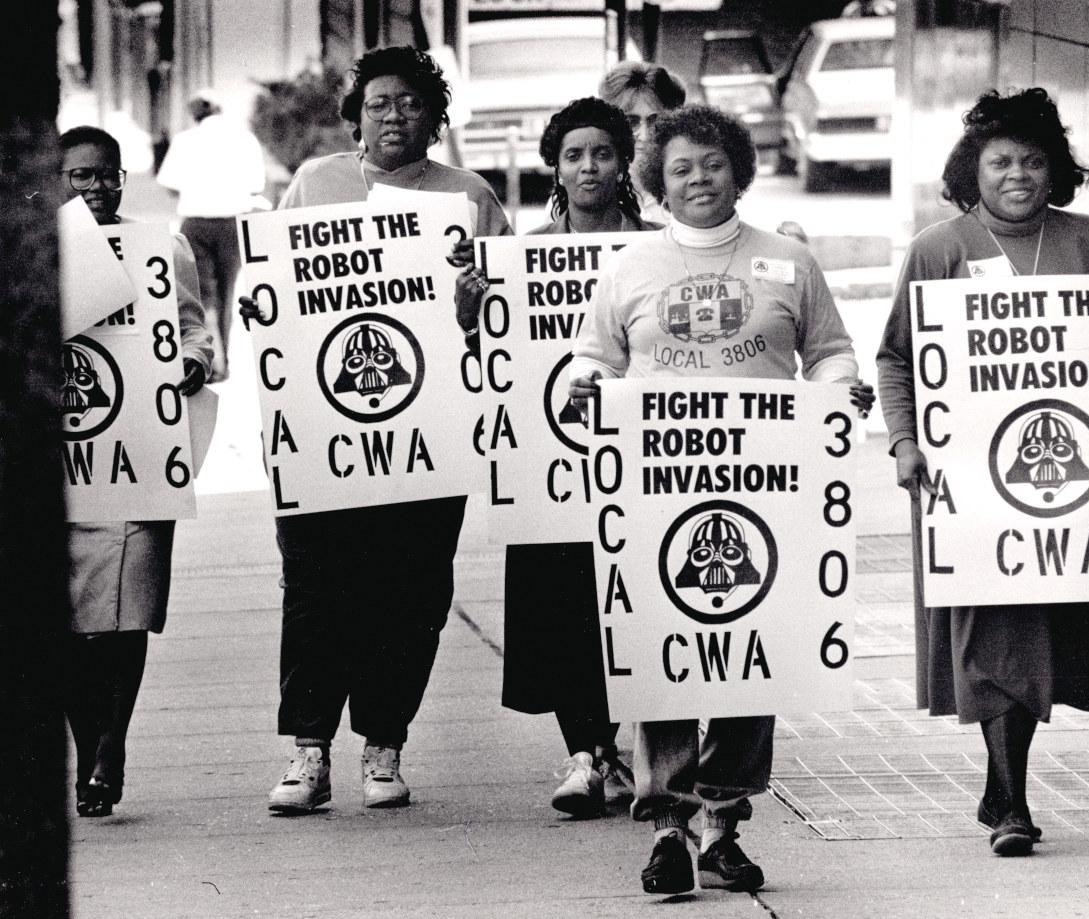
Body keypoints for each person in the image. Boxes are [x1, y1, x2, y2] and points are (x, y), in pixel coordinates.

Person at [568, 105, 873, 894]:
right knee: (667, 650)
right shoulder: (630, 264)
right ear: (656, 183)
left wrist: (841, 395)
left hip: (767, 488)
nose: (698, 179)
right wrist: (582, 392)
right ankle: (668, 828)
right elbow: (592, 357)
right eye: (680, 169)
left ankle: (723, 823)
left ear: (739, 169)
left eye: (711, 164)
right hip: (654, 488)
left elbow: (831, 351)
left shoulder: (789, 260)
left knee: (751, 652)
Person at [875, 87, 1089, 857]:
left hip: (1070, 486)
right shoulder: (938, 247)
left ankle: (1001, 778)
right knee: (994, 634)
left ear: (1057, 171)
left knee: (1045, 634)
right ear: (970, 170)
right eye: (1002, 161)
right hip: (966, 482)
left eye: (1034, 161)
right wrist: (904, 441)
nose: (1018, 174)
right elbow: (895, 355)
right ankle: (1012, 800)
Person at [239, 45, 511, 816]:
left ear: (436, 117)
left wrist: (475, 299)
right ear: (355, 116)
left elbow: (512, 316)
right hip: (326, 434)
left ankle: (384, 744)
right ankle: (310, 750)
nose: (395, 116)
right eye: (380, 103)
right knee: (317, 589)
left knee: (411, 589)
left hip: (429, 434)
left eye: (412, 103)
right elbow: (271, 299)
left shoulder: (469, 196)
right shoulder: (314, 184)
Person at [463, 97, 657, 818]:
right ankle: (586, 751)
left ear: (622, 163)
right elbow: (492, 362)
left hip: (637, 461)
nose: (588, 167)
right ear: (555, 165)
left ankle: (608, 750)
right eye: (573, 155)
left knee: (626, 602)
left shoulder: (658, 249)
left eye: (601, 153)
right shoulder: (521, 259)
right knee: (565, 601)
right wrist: (472, 308)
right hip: (551, 466)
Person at [58, 125, 212, 817]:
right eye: (79, 176)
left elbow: (193, 327)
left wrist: (193, 363)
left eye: (106, 174)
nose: (95, 187)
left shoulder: (162, 247)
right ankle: (87, 739)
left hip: (137, 461)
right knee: (62, 623)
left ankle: (108, 748)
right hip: (58, 471)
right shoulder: (30, 253)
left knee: (127, 615)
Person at [157, 89, 267, 382]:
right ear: (220, 110)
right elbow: (257, 185)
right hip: (233, 223)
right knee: (227, 292)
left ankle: (207, 362)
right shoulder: (245, 139)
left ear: (195, 114)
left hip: (196, 222)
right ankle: (224, 361)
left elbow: (167, 183)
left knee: (200, 294)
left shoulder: (184, 140)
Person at [598, 61, 686, 225]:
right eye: (631, 122)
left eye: (655, 121)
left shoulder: (689, 186)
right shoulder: (583, 193)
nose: (644, 136)